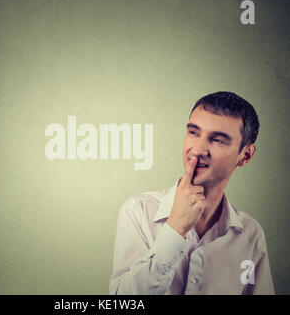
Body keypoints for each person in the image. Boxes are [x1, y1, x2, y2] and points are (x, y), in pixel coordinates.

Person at [109, 91, 274, 295]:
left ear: (245, 155)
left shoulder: (250, 234)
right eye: (193, 133)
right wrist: (176, 228)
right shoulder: (138, 211)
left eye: (218, 140)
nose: (197, 150)